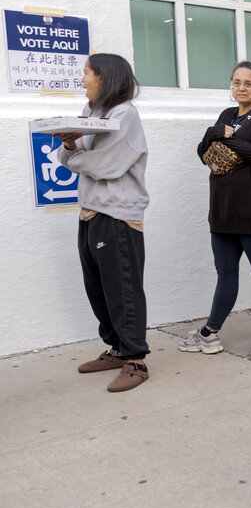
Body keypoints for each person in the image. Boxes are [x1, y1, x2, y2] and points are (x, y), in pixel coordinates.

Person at [59, 53, 150, 392]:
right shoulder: (92, 113)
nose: (81, 79)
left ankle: (136, 359)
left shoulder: (125, 114)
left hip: (118, 215)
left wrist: (76, 154)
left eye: (86, 73)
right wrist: (70, 144)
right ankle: (115, 348)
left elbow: (107, 165)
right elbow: (68, 156)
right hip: (90, 210)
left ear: (104, 77)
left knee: (122, 288)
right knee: (97, 287)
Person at [183, 61, 251, 358]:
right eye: (236, 82)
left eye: (248, 83)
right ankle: (209, 334)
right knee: (225, 273)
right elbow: (203, 151)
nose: (241, 88)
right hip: (223, 209)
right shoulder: (227, 116)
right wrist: (215, 130)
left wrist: (229, 138)